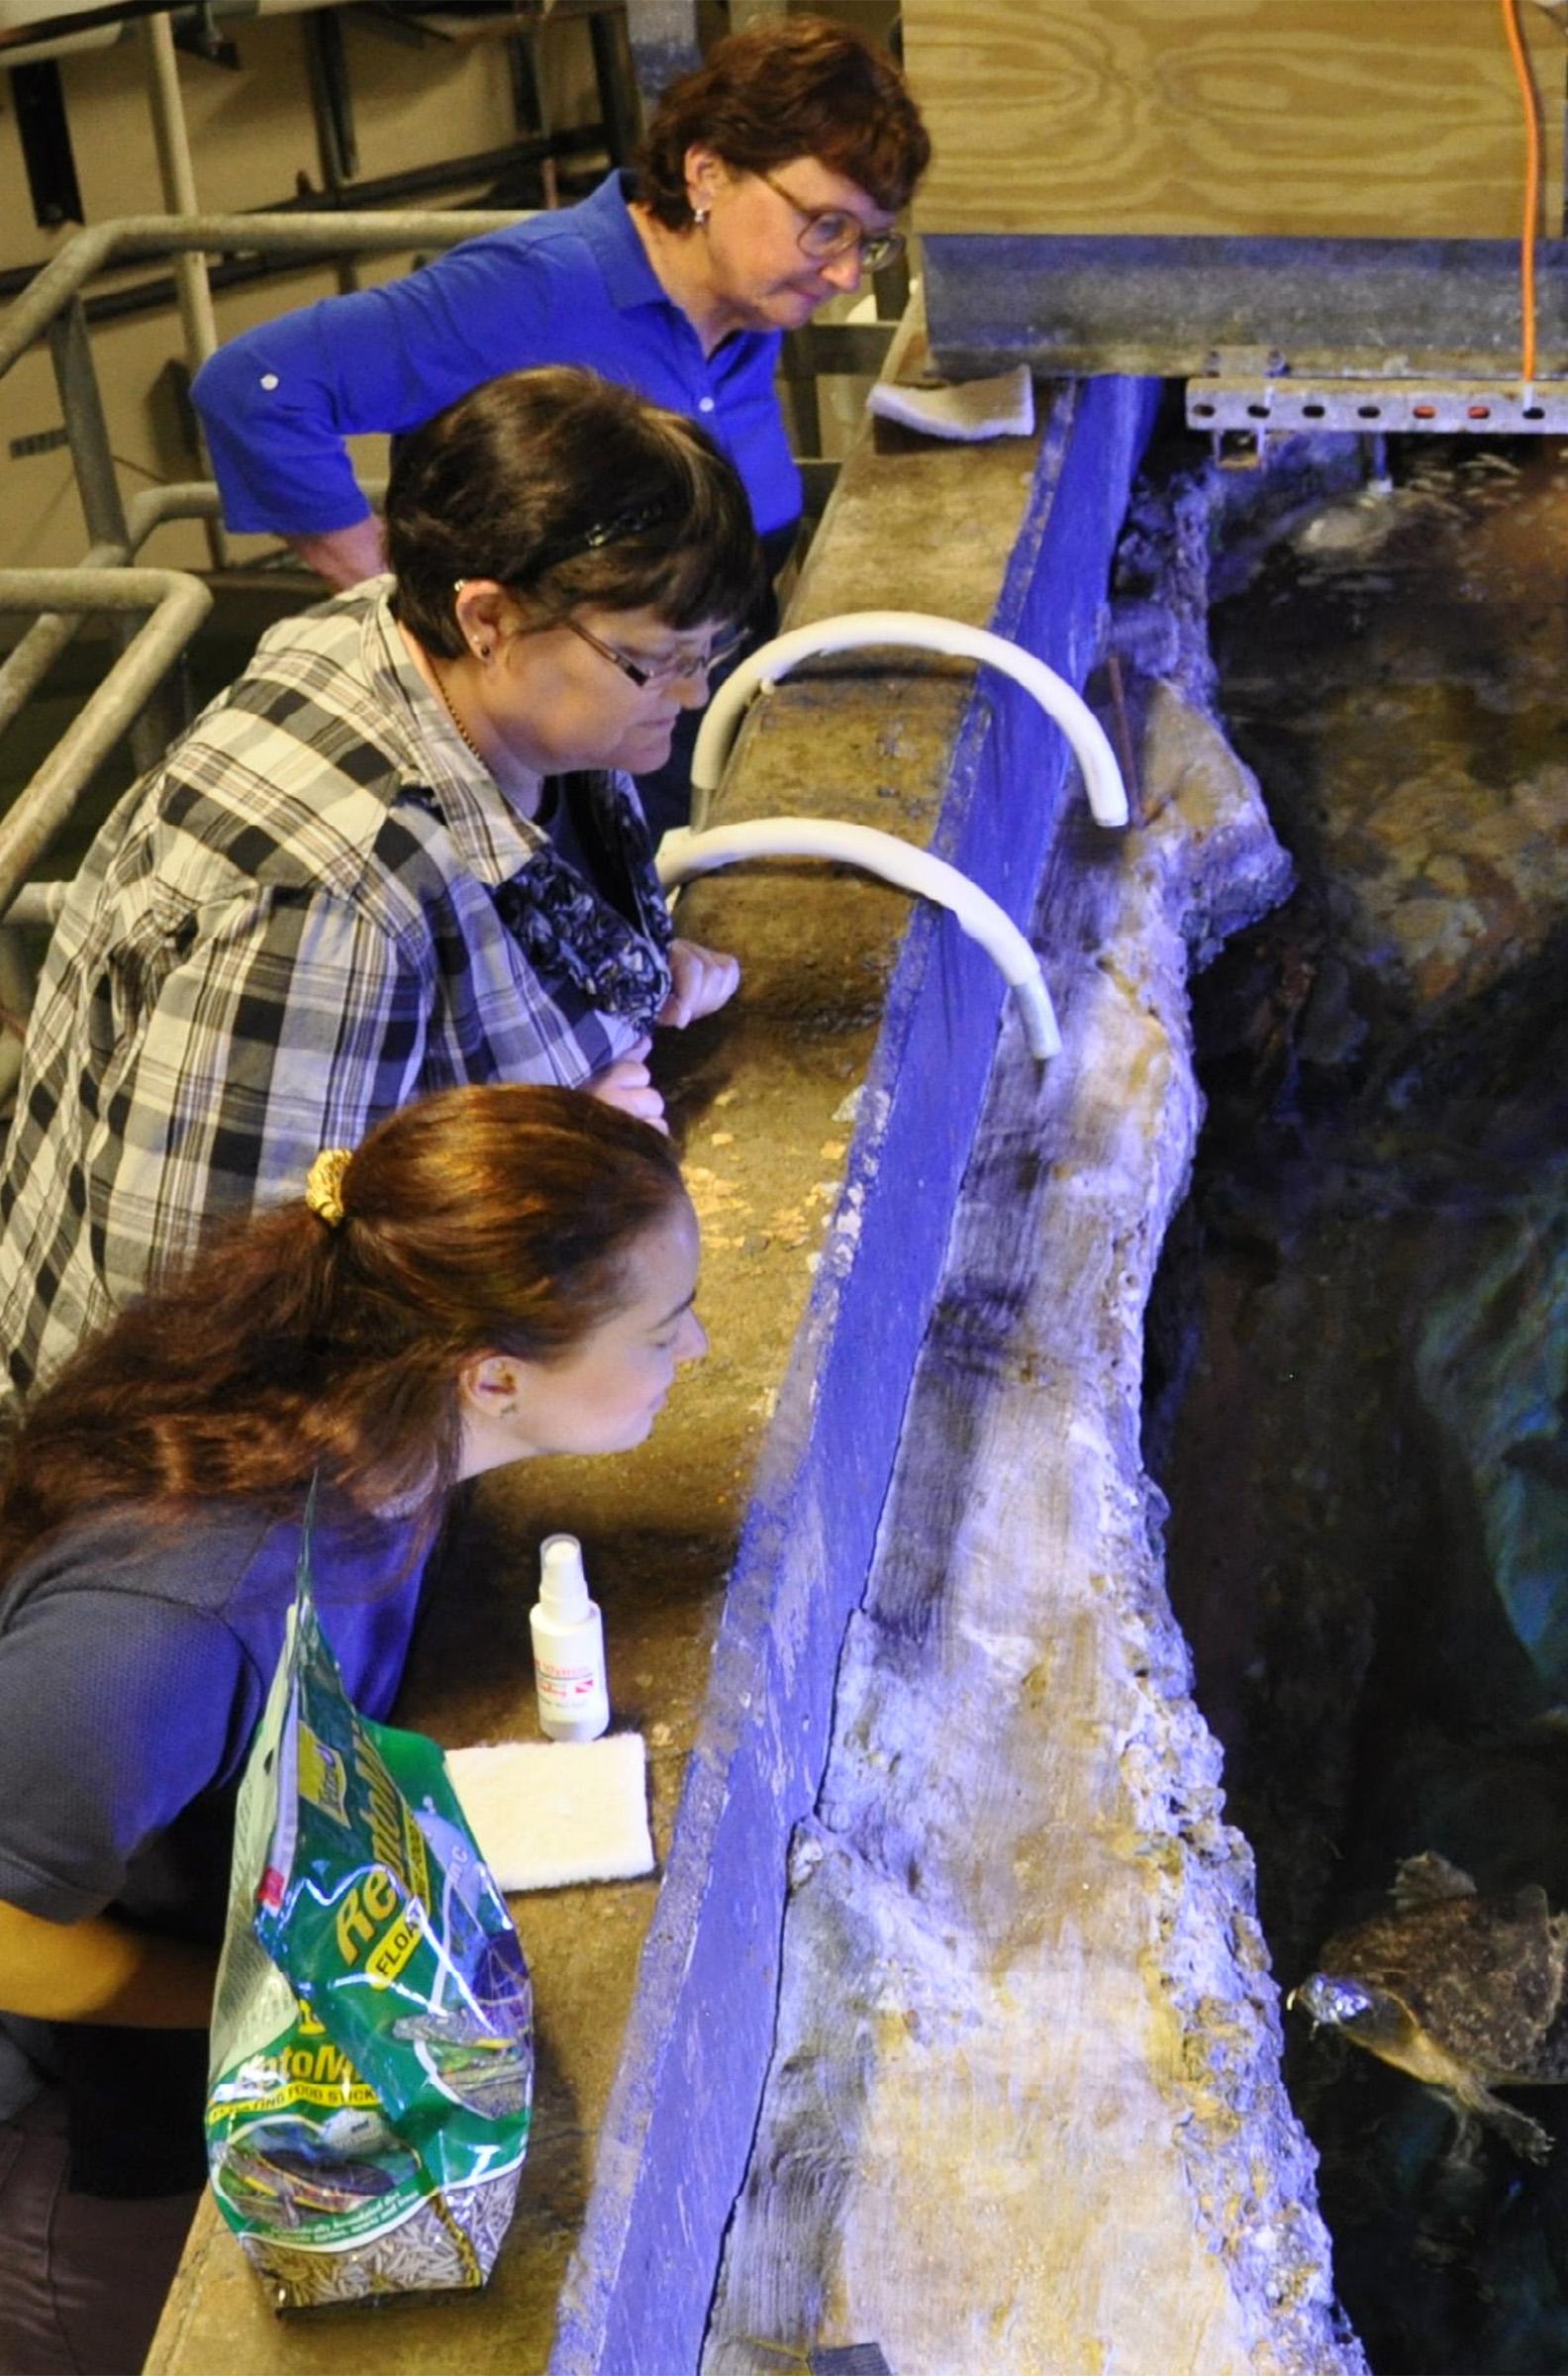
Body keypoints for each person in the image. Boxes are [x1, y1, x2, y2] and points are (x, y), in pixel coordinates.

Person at [0, 1081, 705, 2376]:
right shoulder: (175, 1618)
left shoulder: (382, 1426)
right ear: (493, 1375)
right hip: (106, 2164)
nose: (700, 1353)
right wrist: (222, 2004)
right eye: (666, 1331)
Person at [0, 364, 757, 1409]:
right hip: (193, 1486)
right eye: (654, 660)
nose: (694, 691)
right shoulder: (326, 896)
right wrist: (526, 1163)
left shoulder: (429, 650)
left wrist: (610, 973)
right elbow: (197, 1325)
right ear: (487, 618)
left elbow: (484, 936)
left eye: (709, 652)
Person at [191, 13, 932, 827]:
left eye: (868, 242)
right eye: (824, 224)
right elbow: (255, 387)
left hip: (691, 746)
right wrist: (396, 609)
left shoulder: (748, 315)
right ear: (709, 172)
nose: (840, 269)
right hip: (562, 800)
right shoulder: (534, 288)